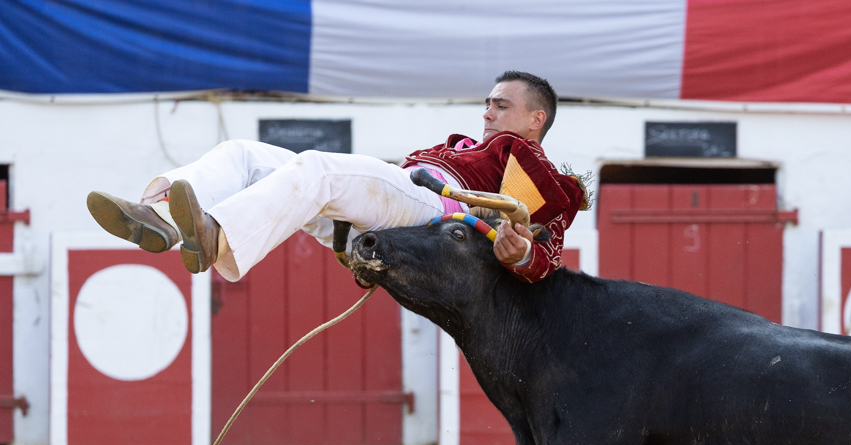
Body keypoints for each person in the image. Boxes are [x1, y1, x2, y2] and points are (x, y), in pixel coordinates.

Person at [87, 71, 586, 284]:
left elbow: (546, 250)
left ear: (536, 118)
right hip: (384, 217)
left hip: (432, 215)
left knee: (318, 168)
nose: (488, 112)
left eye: (501, 105)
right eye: (487, 103)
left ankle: (214, 234)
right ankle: (159, 217)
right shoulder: (480, 146)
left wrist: (521, 254)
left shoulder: (529, 161)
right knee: (244, 155)